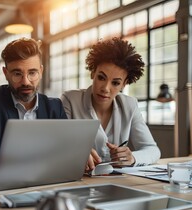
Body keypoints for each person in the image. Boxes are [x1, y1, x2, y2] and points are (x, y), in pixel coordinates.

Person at [61, 37, 160, 171]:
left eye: (115, 83)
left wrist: (132, 158)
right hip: (79, 178)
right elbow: (58, 145)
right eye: (101, 78)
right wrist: (76, 151)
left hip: (116, 180)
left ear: (124, 84)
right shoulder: (70, 100)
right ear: (92, 73)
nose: (106, 88)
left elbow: (152, 150)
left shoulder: (130, 105)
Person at [0, 38, 67, 170]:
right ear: (6, 73)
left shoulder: (54, 107)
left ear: (41, 72)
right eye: (17, 74)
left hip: (48, 184)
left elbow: (67, 151)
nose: (26, 82)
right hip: (6, 188)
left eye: (32, 73)